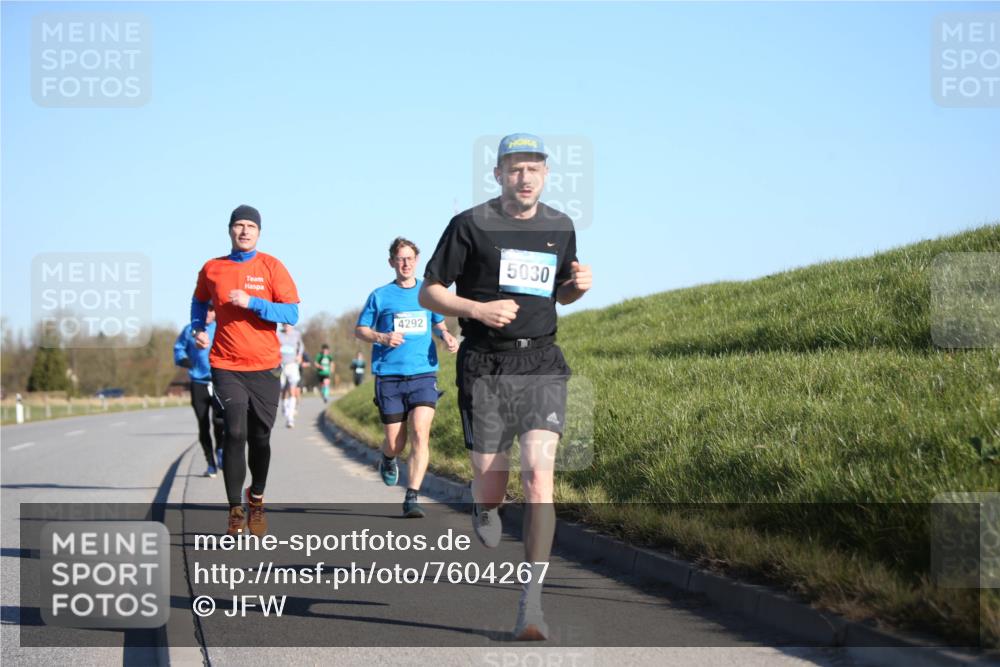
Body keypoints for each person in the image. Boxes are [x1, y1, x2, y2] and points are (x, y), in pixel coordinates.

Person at [419, 134, 592, 640]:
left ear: (545, 174)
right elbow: (431, 290)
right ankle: (485, 505)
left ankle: (531, 604)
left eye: (534, 169)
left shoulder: (560, 226)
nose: (525, 178)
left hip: (541, 360)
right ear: (498, 174)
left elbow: (558, 292)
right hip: (485, 365)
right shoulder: (470, 225)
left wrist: (576, 289)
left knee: (539, 477)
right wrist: (475, 310)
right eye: (515, 169)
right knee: (492, 484)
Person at [191, 204, 300, 537]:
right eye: (238, 225)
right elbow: (198, 301)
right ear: (229, 230)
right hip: (226, 364)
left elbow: (292, 314)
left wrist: (252, 302)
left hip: (265, 366)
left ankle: (257, 498)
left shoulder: (271, 267)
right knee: (234, 432)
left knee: (260, 438)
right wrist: (198, 326)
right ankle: (235, 511)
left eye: (250, 226)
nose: (244, 231)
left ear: (259, 232)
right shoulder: (212, 269)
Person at [356, 237, 459, 518]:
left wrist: (446, 335)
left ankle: (412, 495)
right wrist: (382, 336)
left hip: (423, 373)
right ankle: (388, 458)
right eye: (400, 259)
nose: (405, 263)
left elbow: (437, 322)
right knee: (395, 442)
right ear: (391, 262)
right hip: (389, 376)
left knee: (420, 433)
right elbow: (361, 330)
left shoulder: (427, 293)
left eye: (410, 258)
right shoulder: (380, 295)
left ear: (417, 261)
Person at [173, 305, 224, 477]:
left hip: (219, 382)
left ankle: (220, 450)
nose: (208, 313)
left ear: (216, 311)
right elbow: (178, 348)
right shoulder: (190, 330)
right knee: (203, 425)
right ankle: (210, 463)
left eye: (211, 309)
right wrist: (184, 360)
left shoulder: (222, 327)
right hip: (198, 382)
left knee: (220, 422)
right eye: (205, 310)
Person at [277, 323, 305, 428]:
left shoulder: (296, 334)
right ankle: (284, 405)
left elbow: (301, 346)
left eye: (288, 324)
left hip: (292, 364)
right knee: (282, 388)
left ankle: (290, 418)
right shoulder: (278, 334)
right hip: (281, 365)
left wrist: (299, 355)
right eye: (284, 324)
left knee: (292, 389)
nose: (286, 326)